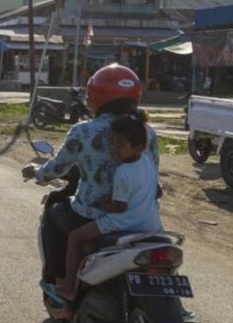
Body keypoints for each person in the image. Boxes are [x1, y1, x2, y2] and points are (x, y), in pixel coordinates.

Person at [24, 64, 159, 308]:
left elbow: (59, 166)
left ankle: (63, 286)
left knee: (54, 215)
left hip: (91, 215)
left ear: (94, 96)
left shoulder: (83, 131)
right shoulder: (147, 132)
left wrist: (39, 174)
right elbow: (153, 173)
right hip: (142, 216)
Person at [58, 113, 163, 299]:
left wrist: (104, 203)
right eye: (112, 142)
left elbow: (120, 208)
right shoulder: (147, 162)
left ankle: (68, 288)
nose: (113, 149)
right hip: (151, 224)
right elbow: (157, 192)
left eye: (120, 144)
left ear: (138, 147)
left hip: (123, 223)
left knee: (75, 237)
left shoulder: (123, 171)